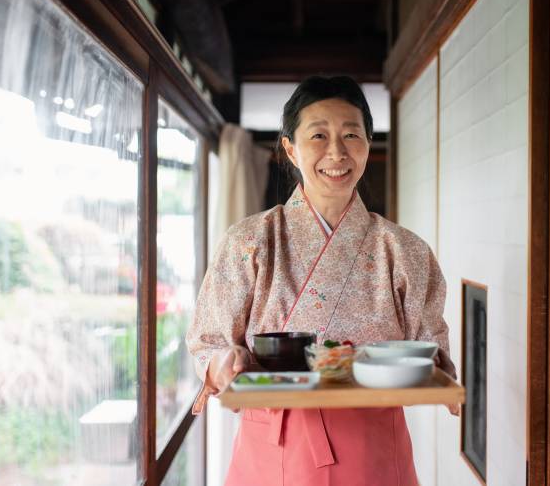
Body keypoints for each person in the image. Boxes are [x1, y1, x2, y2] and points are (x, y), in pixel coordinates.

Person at [186, 76, 456, 486]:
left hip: (373, 447)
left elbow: (429, 351)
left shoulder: (405, 252)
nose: (337, 152)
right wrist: (225, 363)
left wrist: (435, 366)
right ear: (290, 148)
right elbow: (209, 344)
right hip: (274, 447)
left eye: (352, 134)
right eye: (318, 135)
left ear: (368, 143)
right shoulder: (249, 241)